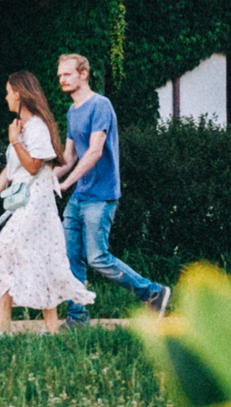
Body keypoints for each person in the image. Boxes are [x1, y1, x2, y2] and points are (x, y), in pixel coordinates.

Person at [53, 51, 169, 324]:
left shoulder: (100, 105)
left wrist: (66, 183)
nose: (62, 80)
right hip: (80, 195)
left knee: (97, 257)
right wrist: (47, 181)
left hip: (101, 195)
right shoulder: (72, 111)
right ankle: (77, 316)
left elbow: (94, 151)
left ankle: (152, 293)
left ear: (83, 74)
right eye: (59, 76)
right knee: (72, 258)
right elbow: (69, 158)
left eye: (67, 74)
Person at [0, 71, 95, 334]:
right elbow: (11, 171)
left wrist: (14, 141)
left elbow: (33, 166)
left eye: (9, 91)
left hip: (36, 205)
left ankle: (4, 329)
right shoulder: (23, 127)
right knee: (40, 259)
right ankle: (49, 329)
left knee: (0, 257)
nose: (6, 96)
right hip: (27, 204)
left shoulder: (37, 127)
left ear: (19, 94)